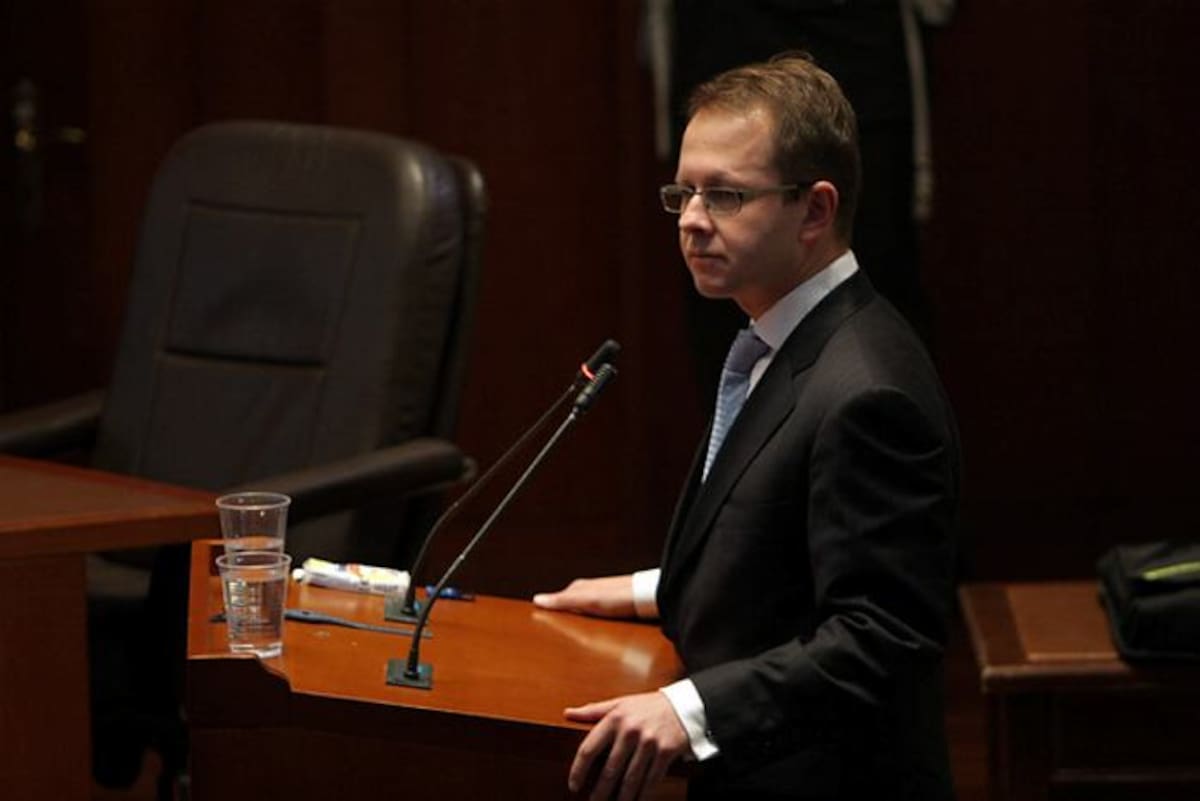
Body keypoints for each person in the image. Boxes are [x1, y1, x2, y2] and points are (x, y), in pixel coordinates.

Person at [534, 53, 960, 800]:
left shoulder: (868, 390)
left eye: (726, 195)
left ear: (816, 210)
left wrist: (687, 707)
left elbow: (880, 636)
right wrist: (648, 589)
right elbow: (795, 549)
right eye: (685, 192)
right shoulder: (782, 339)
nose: (693, 221)